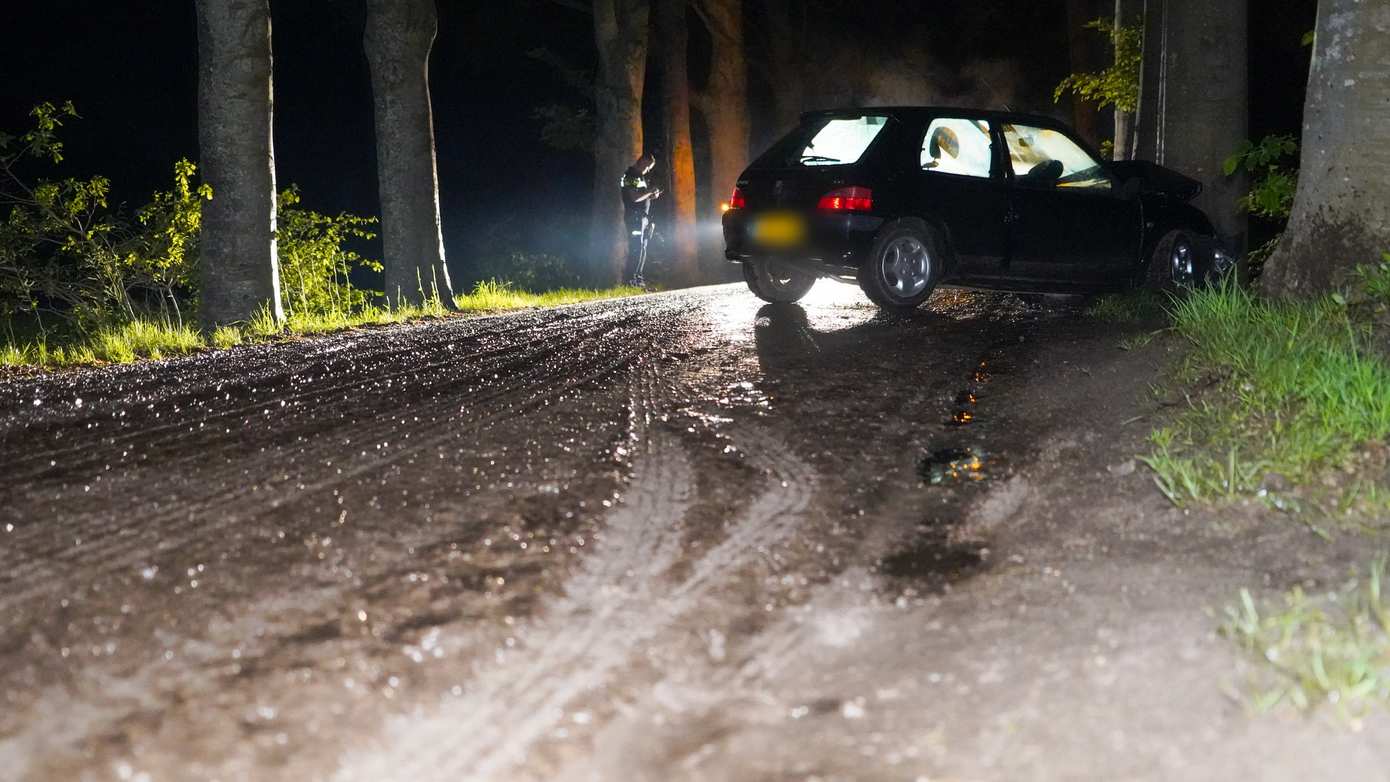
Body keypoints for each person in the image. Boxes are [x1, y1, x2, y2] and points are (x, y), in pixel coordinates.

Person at [621, 153, 662, 286]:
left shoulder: (640, 177)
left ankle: (638, 278)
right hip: (634, 217)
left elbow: (641, 196)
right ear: (642, 162)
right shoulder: (630, 176)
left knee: (642, 247)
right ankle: (630, 279)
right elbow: (634, 197)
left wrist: (651, 195)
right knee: (636, 247)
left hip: (643, 217)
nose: (648, 169)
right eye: (648, 166)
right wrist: (650, 191)